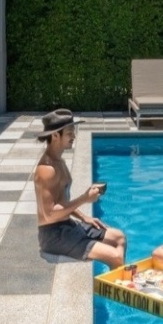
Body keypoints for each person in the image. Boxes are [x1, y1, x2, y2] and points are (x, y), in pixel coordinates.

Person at [33, 109, 127, 268]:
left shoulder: (59, 161)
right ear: (55, 135)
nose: (74, 137)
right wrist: (85, 198)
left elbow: (61, 201)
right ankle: (115, 286)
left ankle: (116, 281)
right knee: (116, 256)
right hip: (53, 235)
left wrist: (84, 217)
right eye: (70, 133)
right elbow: (49, 215)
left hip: (67, 225)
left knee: (119, 237)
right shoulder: (46, 170)